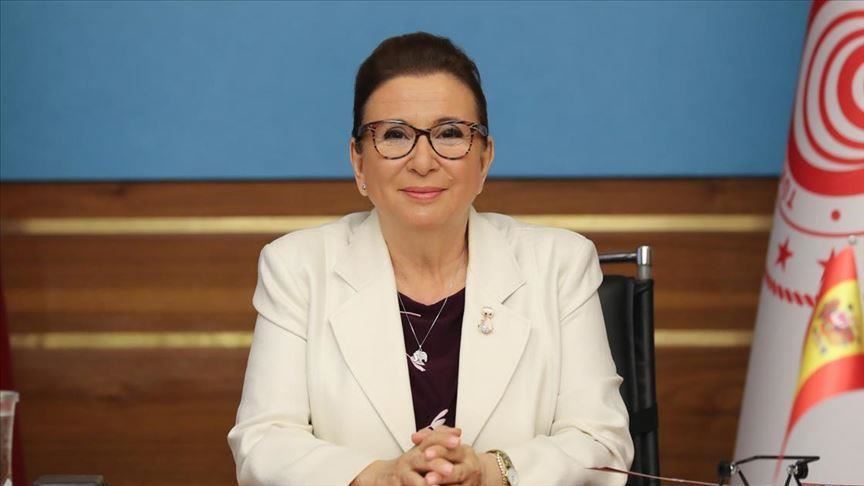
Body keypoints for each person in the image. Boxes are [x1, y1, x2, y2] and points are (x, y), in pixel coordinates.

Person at [228, 32, 633, 486]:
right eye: (395, 135)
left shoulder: (560, 264)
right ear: (359, 163)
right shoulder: (296, 267)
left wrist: (492, 471)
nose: (423, 161)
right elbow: (263, 443)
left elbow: (602, 442)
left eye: (450, 134)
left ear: (485, 159)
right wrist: (380, 478)